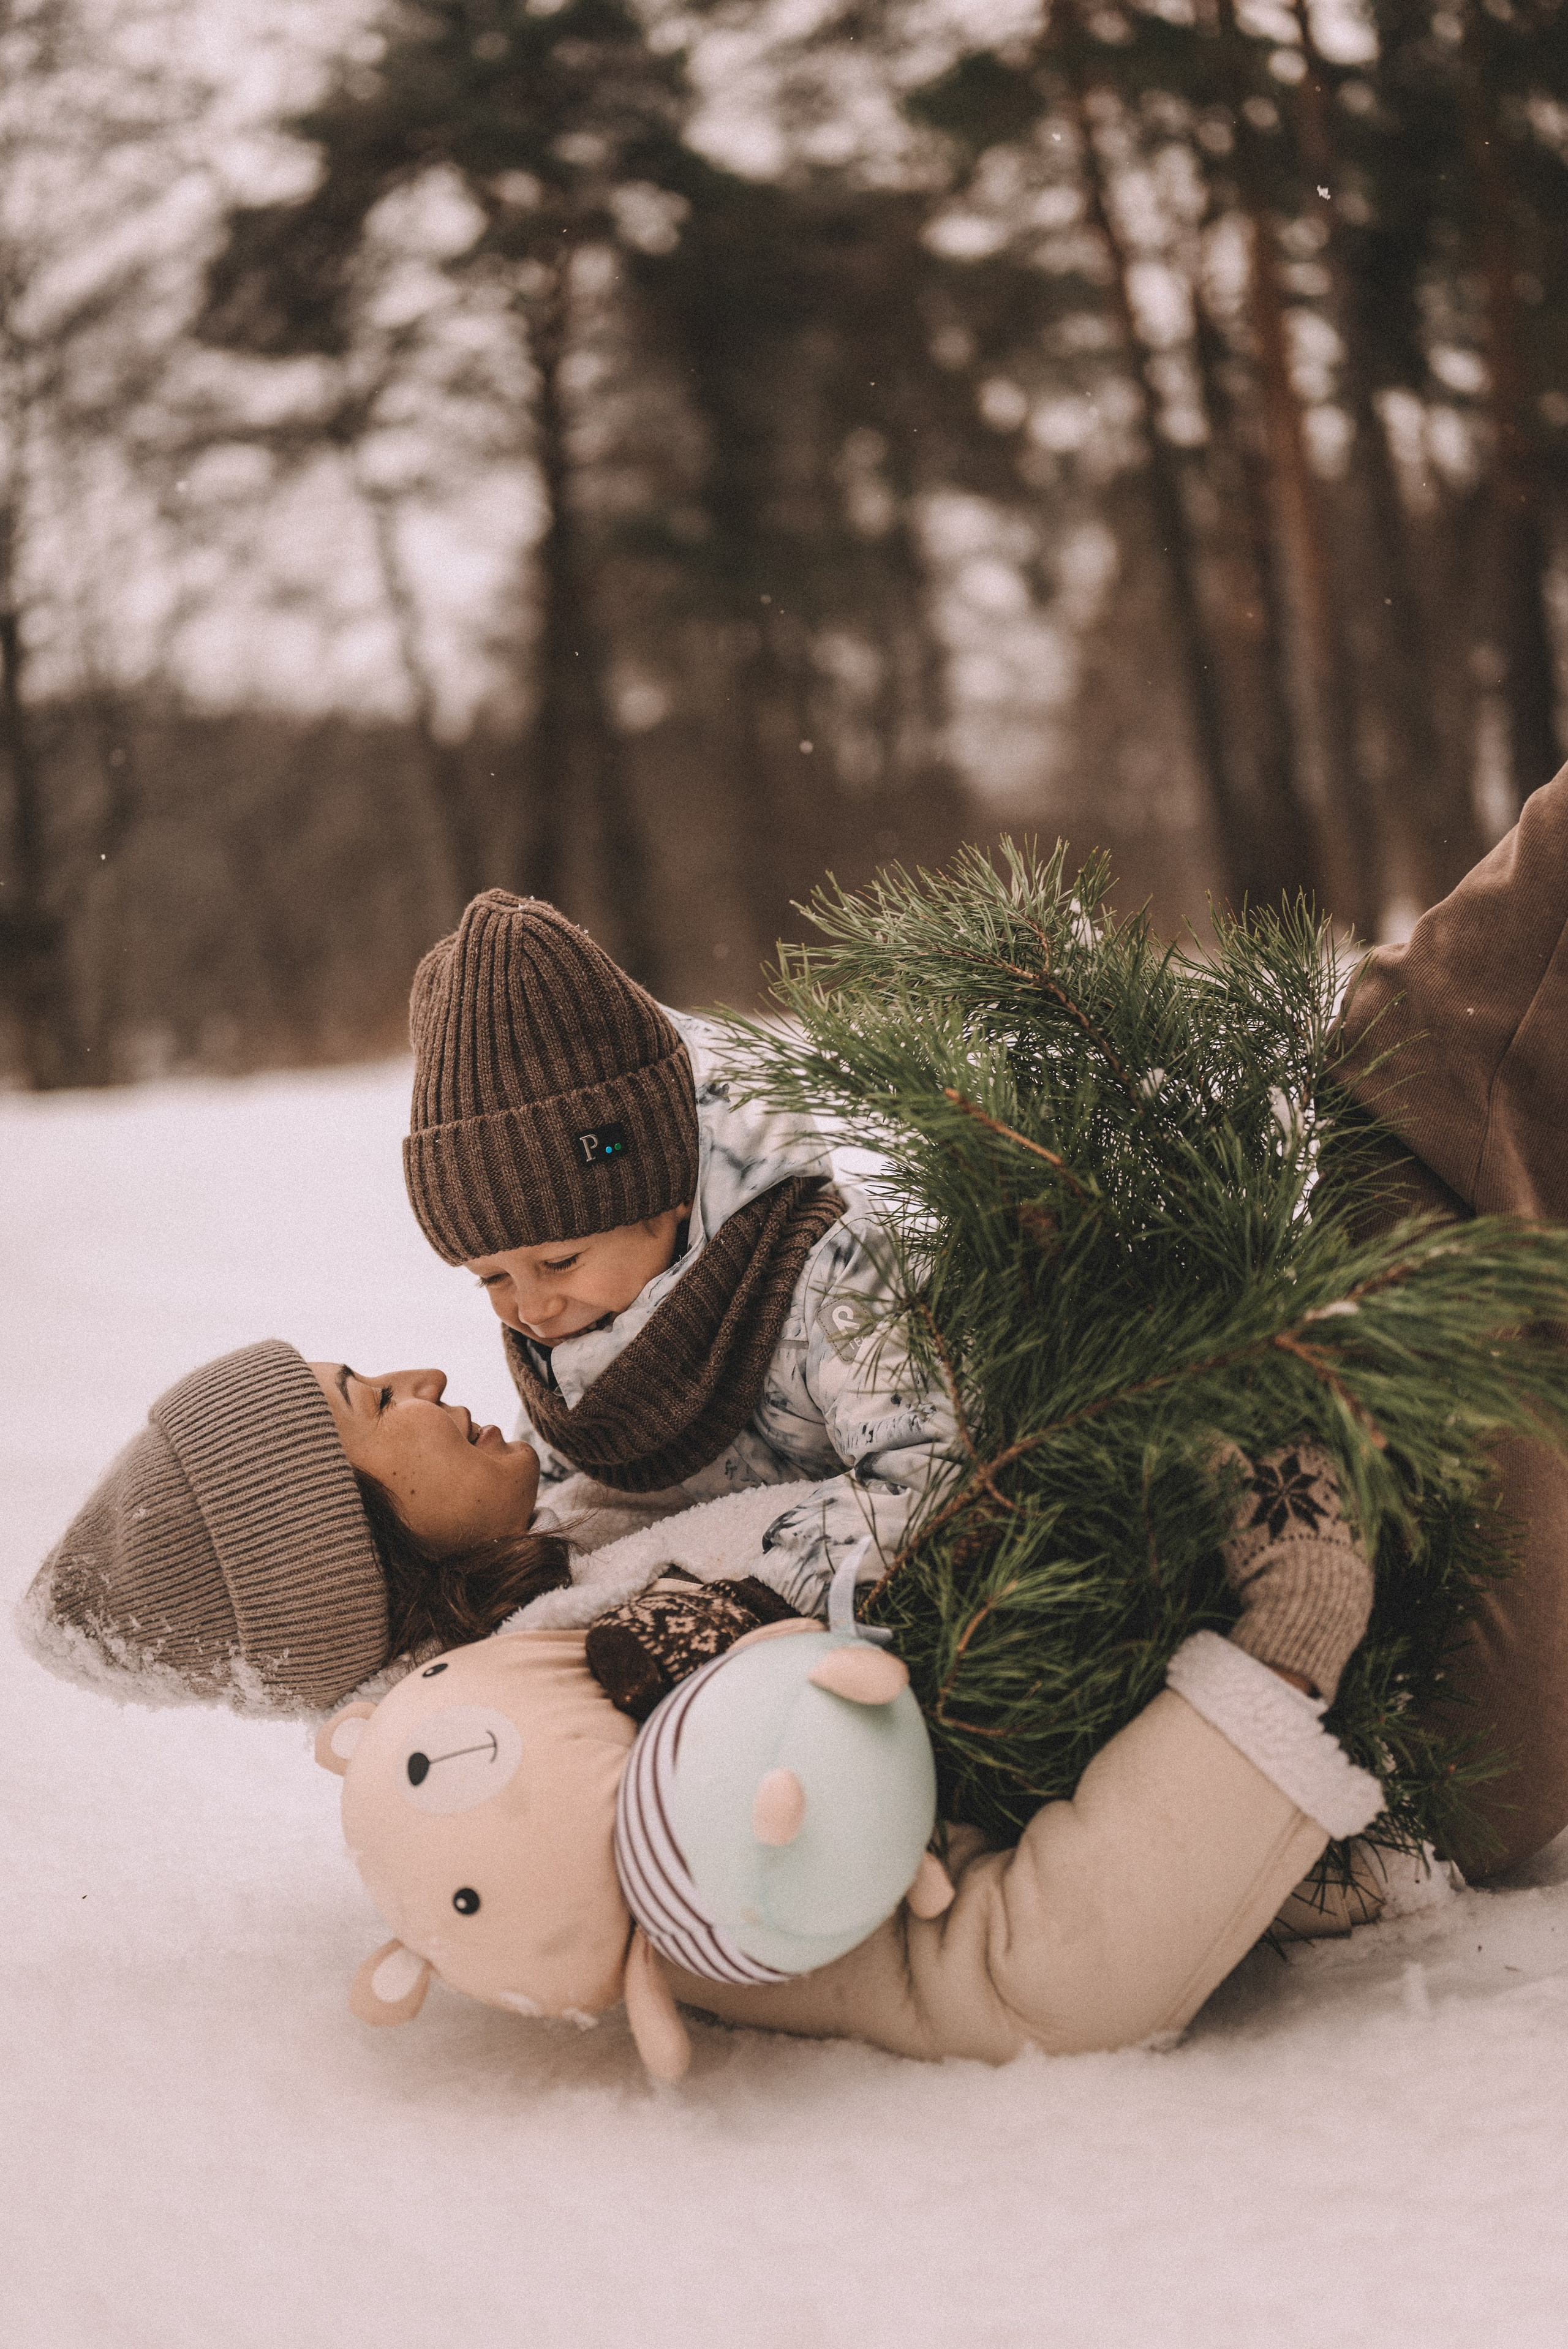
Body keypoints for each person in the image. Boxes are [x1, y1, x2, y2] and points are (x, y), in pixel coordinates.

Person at [400, 891, 959, 1621]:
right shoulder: (572, 1347)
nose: (531, 1310)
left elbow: (927, 1465)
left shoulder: (831, 1275)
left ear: (667, 1191)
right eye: (491, 1280)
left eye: (561, 1261)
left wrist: (749, 1601)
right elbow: (573, 1507)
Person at [18, 1340, 568, 1714]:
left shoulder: (583, 1440)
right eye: (379, 1401)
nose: (429, 1379)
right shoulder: (572, 1697)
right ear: (347, 1562)